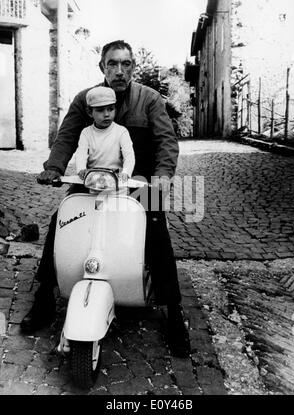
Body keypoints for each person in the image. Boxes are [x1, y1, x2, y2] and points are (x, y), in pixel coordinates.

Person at [21, 40, 191, 358]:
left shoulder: (150, 100)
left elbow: (166, 142)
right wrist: (54, 168)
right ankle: (44, 297)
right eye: (112, 63)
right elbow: (67, 136)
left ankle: (174, 311)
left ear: (133, 68)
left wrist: (162, 177)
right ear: (102, 67)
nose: (119, 70)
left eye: (126, 64)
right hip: (93, 180)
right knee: (63, 219)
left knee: (155, 227)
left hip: (136, 181)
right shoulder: (85, 100)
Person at [75, 85, 135, 184]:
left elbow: (129, 155)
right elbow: (81, 153)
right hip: (94, 180)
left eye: (110, 109)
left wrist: (126, 172)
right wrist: (81, 169)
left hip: (116, 181)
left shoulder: (121, 132)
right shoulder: (86, 133)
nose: (106, 114)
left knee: (119, 198)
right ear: (90, 112)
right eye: (100, 110)